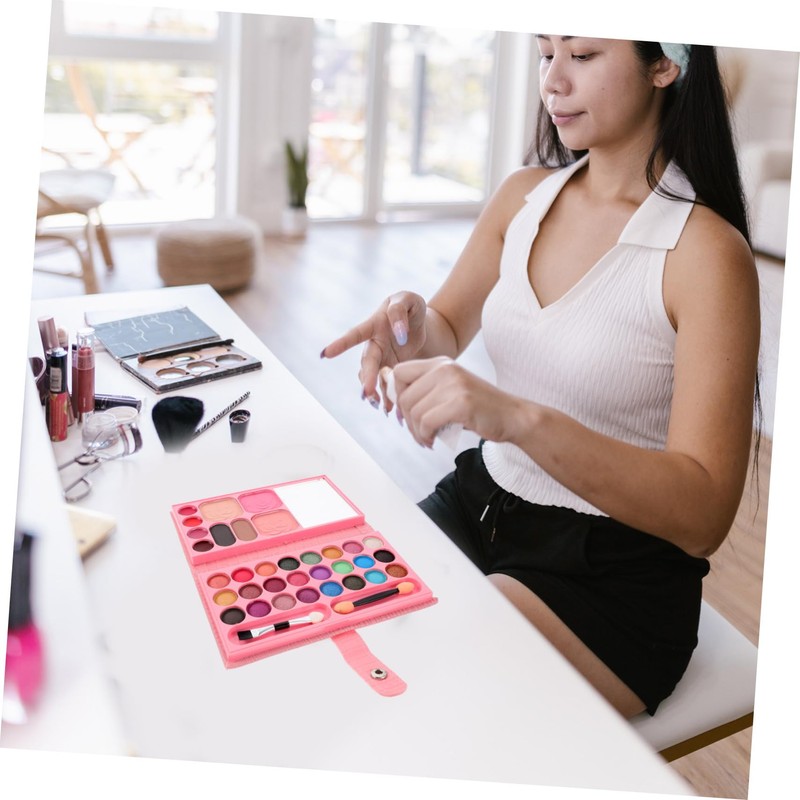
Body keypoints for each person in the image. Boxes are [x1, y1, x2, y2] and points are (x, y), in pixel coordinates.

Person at [321, 36, 761, 718]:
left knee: (423, 690)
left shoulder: (705, 254)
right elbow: (447, 325)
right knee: (334, 628)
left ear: (664, 64)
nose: (553, 81)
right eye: (545, 53)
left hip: (612, 574)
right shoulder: (524, 196)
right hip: (483, 501)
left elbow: (703, 517)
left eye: (581, 56)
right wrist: (409, 326)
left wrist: (518, 419)